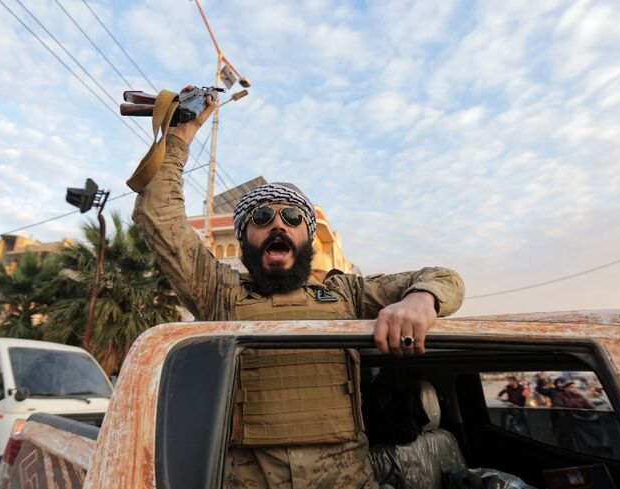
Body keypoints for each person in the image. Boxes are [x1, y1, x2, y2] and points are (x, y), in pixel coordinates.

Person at [131, 87, 465, 489]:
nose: (277, 224)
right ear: (243, 239)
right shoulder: (218, 292)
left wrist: (421, 300)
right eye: (261, 217)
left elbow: (446, 277)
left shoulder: (346, 294)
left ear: (306, 236)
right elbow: (157, 214)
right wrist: (180, 136)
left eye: (291, 216)